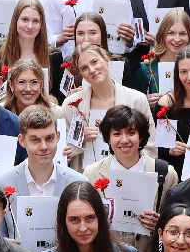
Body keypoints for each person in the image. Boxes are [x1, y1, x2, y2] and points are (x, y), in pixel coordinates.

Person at [82, 105, 177, 252]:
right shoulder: (91, 174)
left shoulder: (166, 174)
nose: (124, 140)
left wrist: (161, 224)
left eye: (131, 133)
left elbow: (176, 220)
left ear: (140, 137)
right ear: (108, 138)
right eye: (117, 134)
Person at [0, 103, 89, 238]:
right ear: (22, 141)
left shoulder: (79, 182)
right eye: (35, 140)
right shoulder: (1, 184)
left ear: (58, 136)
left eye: (49, 138)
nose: (43, 147)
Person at [61, 43, 153, 171]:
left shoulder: (137, 99)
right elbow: (60, 153)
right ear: (81, 74)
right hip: (85, 178)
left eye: (95, 62)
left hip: (129, 175)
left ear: (106, 60)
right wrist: (79, 139)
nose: (92, 70)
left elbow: (150, 146)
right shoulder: (71, 105)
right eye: (84, 68)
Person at [135, 8, 190, 100]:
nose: (177, 39)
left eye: (183, 34)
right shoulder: (147, 68)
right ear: (162, 35)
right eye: (171, 33)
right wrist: (146, 102)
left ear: (189, 36)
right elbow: (134, 102)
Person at [0, 0, 52, 80]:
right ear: (15, 21)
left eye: (35, 21)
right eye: (25, 20)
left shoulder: (54, 55)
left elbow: (55, 92)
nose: (30, 26)